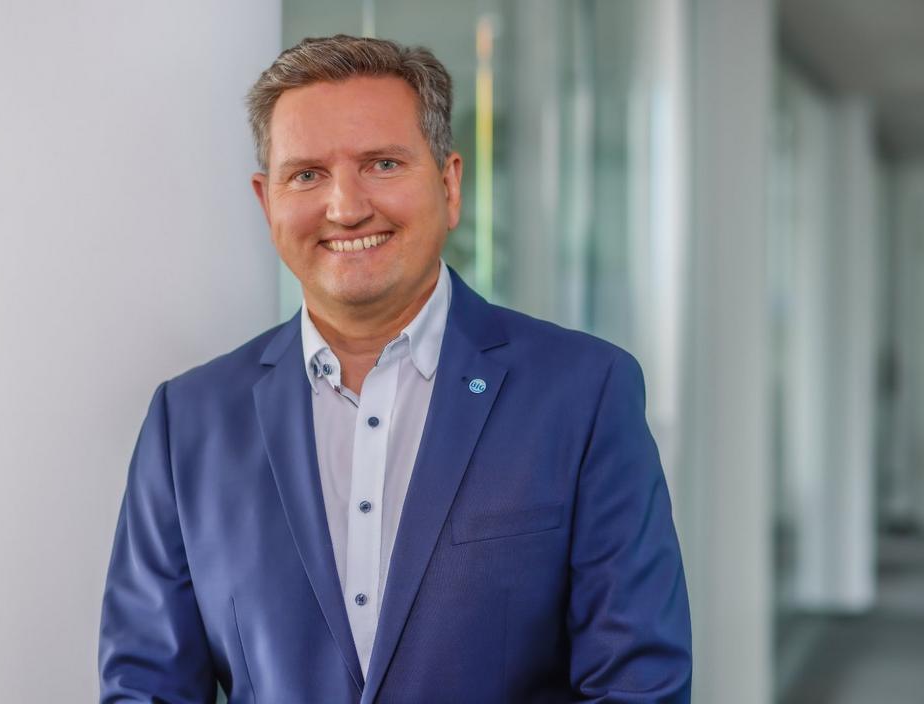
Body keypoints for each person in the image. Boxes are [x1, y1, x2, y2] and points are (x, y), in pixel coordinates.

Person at [99, 34, 691, 703]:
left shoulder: (584, 394)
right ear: (267, 202)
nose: (346, 207)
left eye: (382, 164)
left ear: (449, 183)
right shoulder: (188, 424)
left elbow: (637, 686)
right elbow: (145, 688)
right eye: (307, 174)